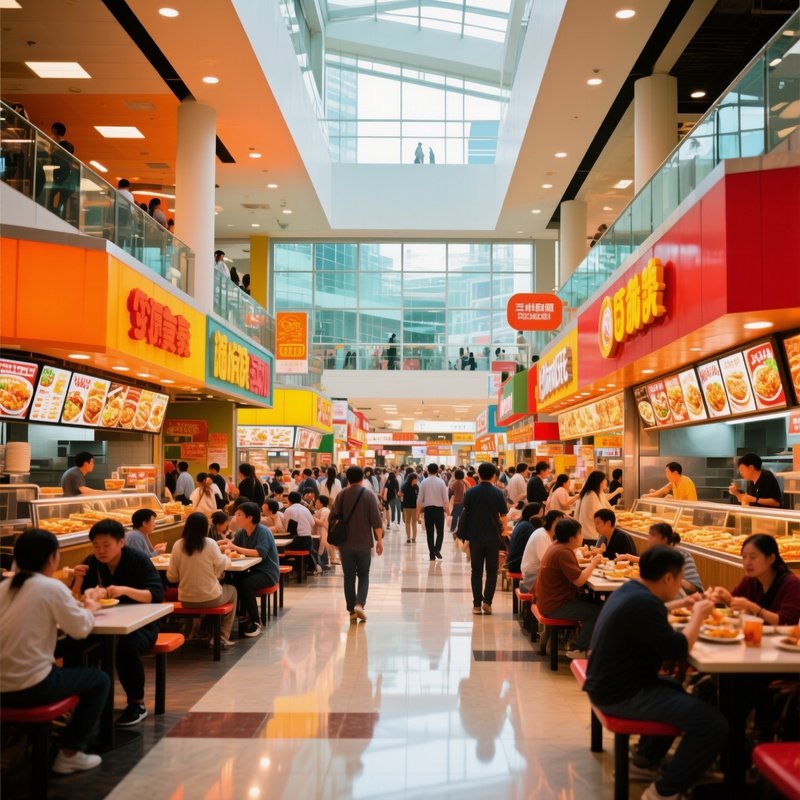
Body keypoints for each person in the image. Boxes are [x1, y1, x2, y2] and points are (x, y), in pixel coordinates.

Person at [584, 547, 727, 800]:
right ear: (669, 578)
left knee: (676, 688)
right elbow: (677, 649)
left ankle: (644, 761)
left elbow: (652, 612)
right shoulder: (644, 603)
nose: (681, 585)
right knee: (713, 724)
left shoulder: (632, 590)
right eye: (680, 579)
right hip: (619, 694)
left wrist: (683, 603)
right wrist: (697, 615)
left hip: (608, 684)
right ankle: (664, 791)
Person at [0, 529, 110, 775]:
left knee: (66, 655)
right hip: (29, 687)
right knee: (100, 681)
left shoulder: (4, 587)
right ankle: (70, 752)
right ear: (52, 558)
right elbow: (80, 629)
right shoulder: (50, 587)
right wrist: (91, 607)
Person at [69, 520, 164, 727]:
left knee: (126, 647)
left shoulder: (138, 560)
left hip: (143, 624)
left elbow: (156, 595)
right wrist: (78, 579)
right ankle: (82, 703)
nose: (100, 551)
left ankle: (136, 704)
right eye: (96, 546)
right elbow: (75, 599)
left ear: (121, 543)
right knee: (76, 644)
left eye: (106, 545)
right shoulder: (92, 562)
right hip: (105, 621)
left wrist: (124, 590)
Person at [534, 518, 602, 658]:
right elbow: (579, 581)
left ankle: (588, 644)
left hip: (547, 600)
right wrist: (594, 563)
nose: (582, 536)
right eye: (580, 533)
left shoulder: (556, 546)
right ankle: (580, 650)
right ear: (572, 539)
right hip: (555, 605)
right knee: (596, 612)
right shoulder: (563, 552)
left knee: (598, 604)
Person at [167, 512, 237, 648]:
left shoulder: (177, 545)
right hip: (210, 598)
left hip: (186, 600)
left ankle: (193, 631)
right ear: (205, 528)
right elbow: (222, 565)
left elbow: (172, 577)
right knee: (233, 591)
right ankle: (222, 636)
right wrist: (227, 556)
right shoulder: (210, 543)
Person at [708, 533, 800, 626]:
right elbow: (735, 603)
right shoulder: (750, 580)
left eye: (753, 557)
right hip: (753, 632)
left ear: (771, 558)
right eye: (744, 557)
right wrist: (726, 599)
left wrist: (755, 609)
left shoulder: (791, 583)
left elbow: (787, 622)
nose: (747, 562)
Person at [330, 465, 383, 622]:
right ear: (362, 478)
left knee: (349, 576)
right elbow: (376, 521)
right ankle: (359, 604)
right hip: (364, 543)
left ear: (347, 478)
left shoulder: (341, 495)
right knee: (364, 574)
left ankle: (351, 611)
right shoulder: (368, 495)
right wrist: (379, 541)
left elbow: (332, 518)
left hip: (345, 543)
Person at [218, 503, 280, 637]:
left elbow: (259, 553)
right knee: (231, 581)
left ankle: (256, 622)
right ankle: (241, 615)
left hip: (267, 572)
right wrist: (220, 546)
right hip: (251, 570)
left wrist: (234, 547)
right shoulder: (242, 532)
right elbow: (232, 545)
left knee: (246, 585)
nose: (236, 518)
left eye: (239, 515)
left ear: (250, 518)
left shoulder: (263, 531)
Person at [460, 463, 507, 615]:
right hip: (493, 537)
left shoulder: (471, 492)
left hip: (475, 537)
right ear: (494, 475)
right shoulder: (498, 493)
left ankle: (476, 605)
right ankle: (487, 602)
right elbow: (503, 516)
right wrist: (503, 533)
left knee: (476, 571)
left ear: (478, 474)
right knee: (492, 571)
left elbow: (466, 511)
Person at [617, 523, 703, 594]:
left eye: (653, 535)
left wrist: (673, 580)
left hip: (684, 598)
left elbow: (695, 588)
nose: (648, 539)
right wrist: (628, 557)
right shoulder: (657, 554)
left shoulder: (682, 555)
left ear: (664, 539)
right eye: (649, 535)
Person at [520, 510, 564, 592]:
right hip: (532, 577)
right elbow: (546, 561)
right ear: (552, 522)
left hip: (537, 573)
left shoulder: (547, 535)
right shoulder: (541, 535)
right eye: (559, 522)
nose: (562, 526)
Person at [575, 470, 620, 544]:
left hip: (586, 534)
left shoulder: (590, 493)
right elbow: (599, 515)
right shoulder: (592, 495)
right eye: (604, 479)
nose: (606, 481)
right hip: (590, 535)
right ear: (599, 482)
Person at [283, 491, 322, 575]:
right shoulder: (305, 509)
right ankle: (312, 566)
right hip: (307, 541)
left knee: (281, 550)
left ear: (289, 500)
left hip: (294, 541)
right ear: (300, 500)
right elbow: (313, 523)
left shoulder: (288, 510)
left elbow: (286, 528)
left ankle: (290, 568)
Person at [417, 463, 449, 561]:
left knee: (429, 532)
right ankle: (437, 549)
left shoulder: (423, 482)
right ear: (437, 470)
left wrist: (417, 514)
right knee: (440, 532)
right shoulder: (441, 482)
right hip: (439, 510)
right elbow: (445, 499)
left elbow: (419, 499)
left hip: (428, 510)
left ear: (428, 471)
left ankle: (431, 553)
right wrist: (448, 512)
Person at [505, 502, 542, 575]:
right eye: (540, 514)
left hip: (513, 563)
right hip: (518, 565)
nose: (541, 517)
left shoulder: (521, 523)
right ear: (534, 515)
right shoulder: (528, 527)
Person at [49, 121, 76, 217]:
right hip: (62, 173)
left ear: (54, 130)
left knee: (54, 193)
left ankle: (55, 212)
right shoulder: (66, 145)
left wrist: (52, 148)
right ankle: (57, 212)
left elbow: (56, 157)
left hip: (61, 173)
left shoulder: (62, 145)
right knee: (57, 195)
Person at [448, 468, 469, 534]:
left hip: (457, 501)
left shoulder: (456, 482)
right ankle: (461, 528)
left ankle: (453, 528)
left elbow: (451, 490)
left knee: (454, 515)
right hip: (464, 501)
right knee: (461, 516)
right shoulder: (464, 482)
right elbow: (469, 488)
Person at [400, 471, 419, 544]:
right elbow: (400, 494)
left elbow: (418, 496)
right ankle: (408, 537)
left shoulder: (416, 487)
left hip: (414, 507)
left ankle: (414, 538)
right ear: (412, 479)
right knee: (407, 522)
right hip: (406, 507)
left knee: (414, 523)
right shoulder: (404, 486)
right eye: (416, 479)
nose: (416, 480)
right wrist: (401, 495)